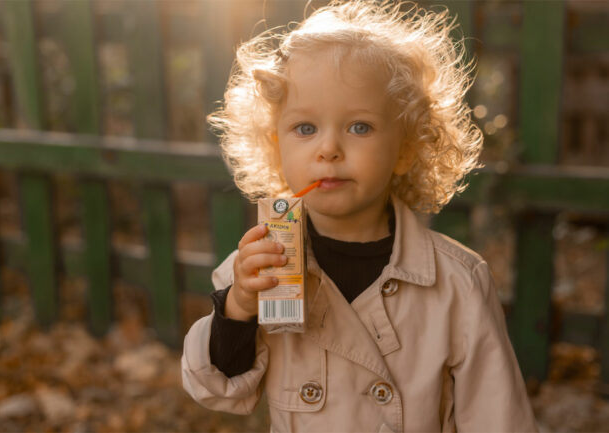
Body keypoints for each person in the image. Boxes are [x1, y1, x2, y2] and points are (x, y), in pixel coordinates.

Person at [181, 1, 538, 431]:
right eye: (306, 128)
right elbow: (218, 390)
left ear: (406, 149)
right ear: (277, 150)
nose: (328, 149)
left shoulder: (459, 282)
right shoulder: (259, 271)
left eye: (360, 127)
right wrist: (238, 307)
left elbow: (498, 418)